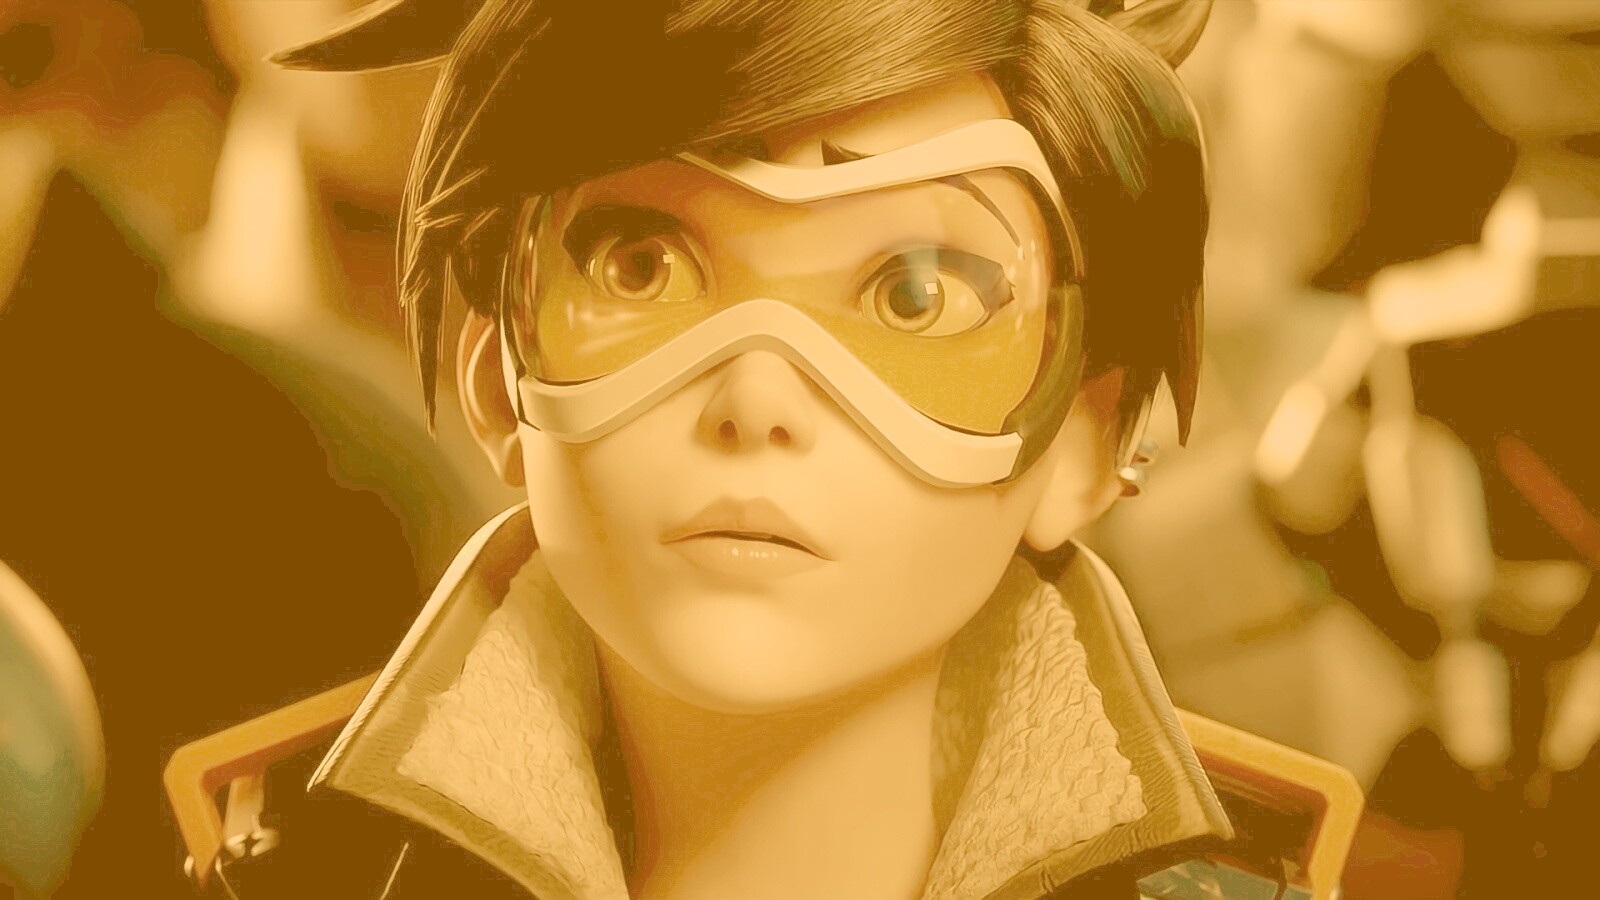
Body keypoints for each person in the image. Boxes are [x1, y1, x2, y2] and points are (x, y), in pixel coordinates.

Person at [164, 2, 1274, 897]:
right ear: (499, 380)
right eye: (641, 266)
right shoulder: (280, 871)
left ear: (1086, 437)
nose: (756, 399)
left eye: (914, 295)